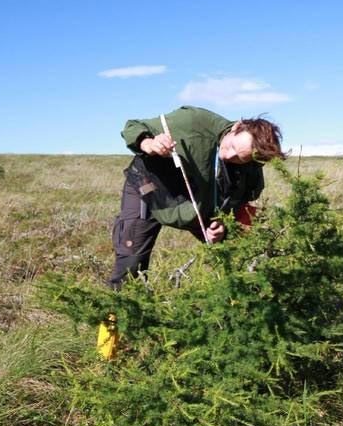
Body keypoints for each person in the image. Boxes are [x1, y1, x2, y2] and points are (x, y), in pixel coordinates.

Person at [98, 106, 285, 359]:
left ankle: (239, 341)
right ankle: (107, 351)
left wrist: (221, 226)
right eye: (230, 148)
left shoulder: (249, 164)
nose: (231, 157)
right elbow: (132, 126)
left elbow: (237, 204)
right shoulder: (194, 121)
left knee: (235, 259)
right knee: (130, 266)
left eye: (240, 158)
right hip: (150, 189)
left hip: (196, 205)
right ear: (237, 126)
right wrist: (150, 143)